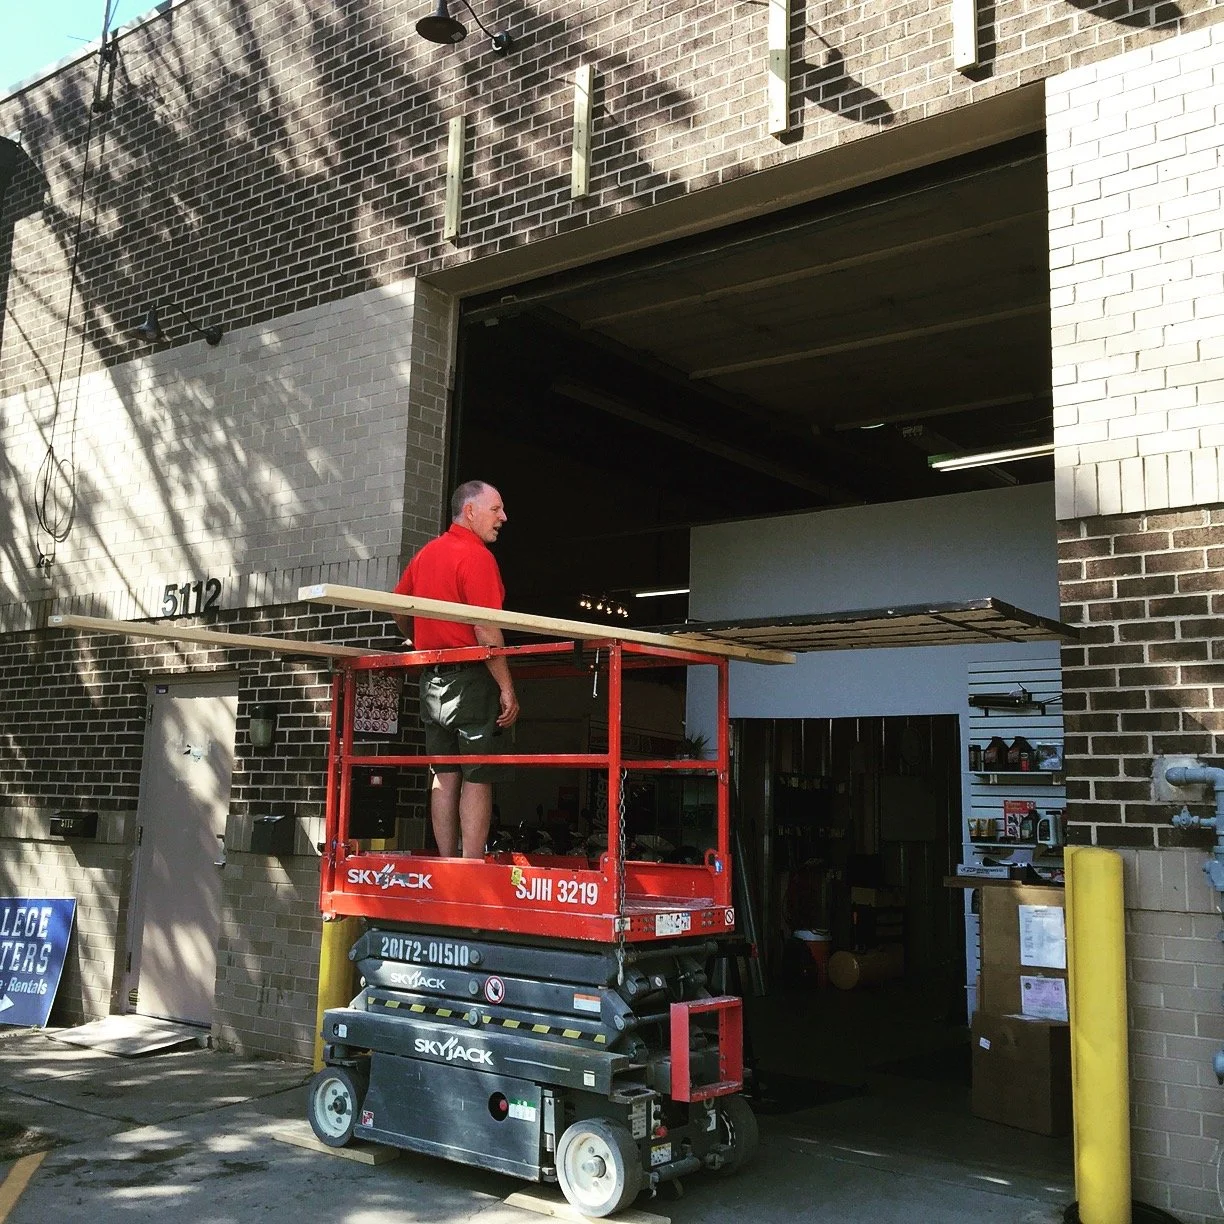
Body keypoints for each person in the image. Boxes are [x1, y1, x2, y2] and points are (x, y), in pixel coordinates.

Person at [392, 481, 519, 858]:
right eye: (496, 509)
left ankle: (448, 860)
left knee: (444, 775)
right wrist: (507, 687)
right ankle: (470, 864)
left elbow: (399, 609)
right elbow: (486, 630)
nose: (503, 518)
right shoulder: (477, 557)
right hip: (471, 678)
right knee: (478, 776)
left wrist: (418, 638)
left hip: (432, 679)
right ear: (471, 511)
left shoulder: (427, 554)